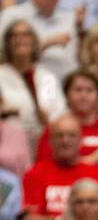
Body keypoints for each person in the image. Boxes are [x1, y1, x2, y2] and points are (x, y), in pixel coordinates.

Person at [0, 19, 66, 148]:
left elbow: (56, 111)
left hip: (42, 141)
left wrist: (46, 116)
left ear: (34, 41)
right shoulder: (1, 75)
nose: (19, 40)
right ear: (7, 43)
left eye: (25, 35)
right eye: (14, 36)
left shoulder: (46, 77)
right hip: (7, 144)